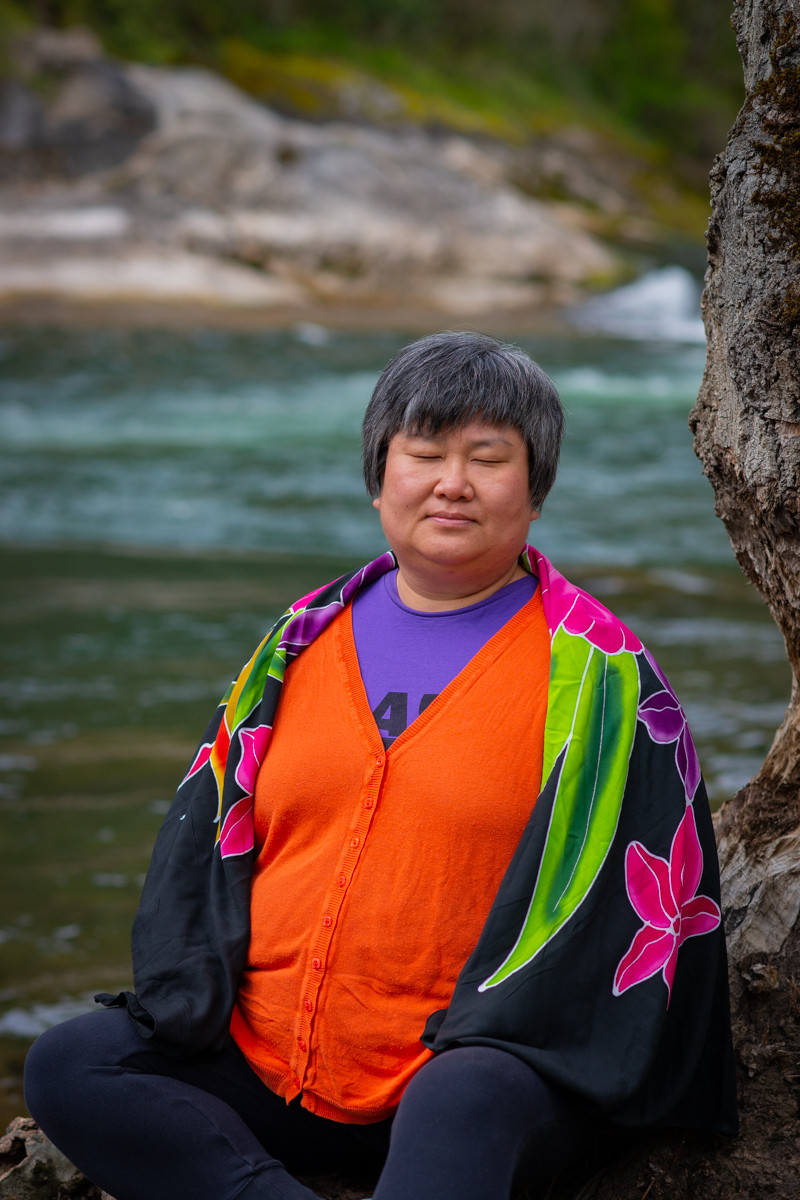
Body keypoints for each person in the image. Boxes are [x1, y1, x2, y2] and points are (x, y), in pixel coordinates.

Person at [24, 331, 737, 1200]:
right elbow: (210, 855)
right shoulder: (298, 641)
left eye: (488, 458)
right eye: (425, 452)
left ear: (535, 489)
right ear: (378, 477)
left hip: (477, 1071)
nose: (452, 482)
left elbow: (645, 918)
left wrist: (482, 1044)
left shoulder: (598, 674)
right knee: (74, 1064)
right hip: (271, 1060)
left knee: (462, 1099)